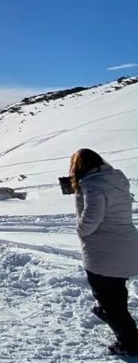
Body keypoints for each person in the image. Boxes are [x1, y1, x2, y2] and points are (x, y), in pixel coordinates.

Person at [70, 148, 138, 356]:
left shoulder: (92, 187)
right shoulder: (115, 178)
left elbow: (90, 221)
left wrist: (79, 230)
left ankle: (130, 343)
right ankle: (111, 311)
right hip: (127, 247)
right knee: (115, 290)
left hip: (105, 254)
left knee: (109, 298)